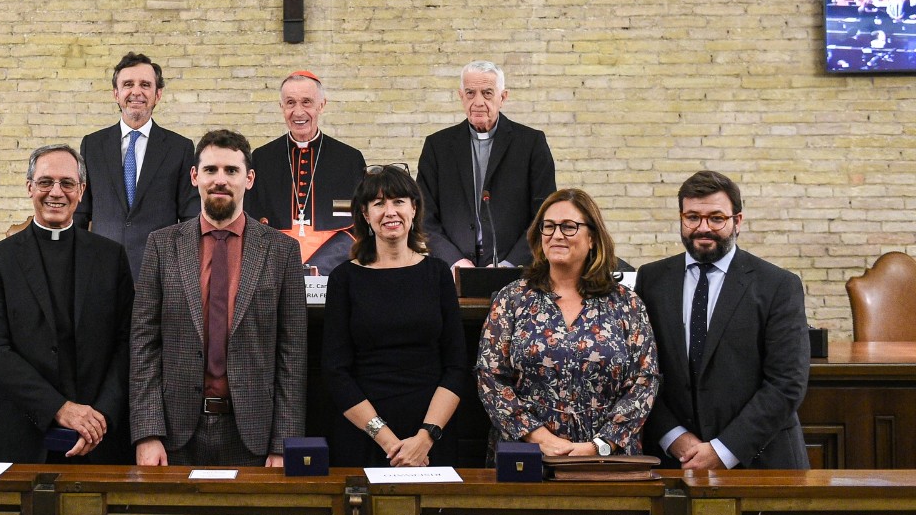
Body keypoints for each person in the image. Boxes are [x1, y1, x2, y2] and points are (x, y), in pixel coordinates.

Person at [130, 129, 307, 467]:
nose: (220, 180)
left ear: (249, 179)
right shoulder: (162, 245)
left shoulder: (282, 250)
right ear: (195, 176)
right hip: (174, 435)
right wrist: (148, 432)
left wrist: (284, 444)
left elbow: (292, 355)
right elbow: (143, 345)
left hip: (253, 435)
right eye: (210, 170)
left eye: (232, 171)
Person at [636, 171, 810, 470]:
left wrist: (724, 450)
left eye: (716, 218)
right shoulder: (651, 280)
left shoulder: (778, 285)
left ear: (737, 221)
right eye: (693, 217)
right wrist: (674, 436)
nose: (703, 228)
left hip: (761, 463)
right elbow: (640, 371)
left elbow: (787, 383)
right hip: (673, 461)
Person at [0, 144, 134, 464]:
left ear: (82, 190)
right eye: (46, 182)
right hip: (24, 434)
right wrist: (59, 408)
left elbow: (127, 342)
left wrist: (99, 419)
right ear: (29, 187)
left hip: (98, 436)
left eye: (67, 183)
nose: (56, 192)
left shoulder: (110, 256)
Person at [477, 189, 658, 462]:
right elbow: (489, 377)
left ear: (593, 238)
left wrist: (599, 445)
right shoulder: (512, 298)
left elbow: (645, 381)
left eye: (569, 227)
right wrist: (541, 439)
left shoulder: (626, 303)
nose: (557, 235)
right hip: (527, 456)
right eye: (548, 227)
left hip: (608, 460)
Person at [322, 165, 466, 467]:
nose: (390, 212)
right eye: (378, 203)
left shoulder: (439, 273)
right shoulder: (343, 279)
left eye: (399, 201)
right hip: (364, 433)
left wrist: (425, 438)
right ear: (365, 214)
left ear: (414, 209)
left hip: (431, 435)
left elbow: (456, 366)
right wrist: (389, 441)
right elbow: (336, 372)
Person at [418, 60, 556, 271]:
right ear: (461, 96)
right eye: (471, 93)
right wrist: (455, 261)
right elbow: (423, 214)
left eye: (487, 93)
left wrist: (509, 264)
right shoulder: (438, 146)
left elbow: (544, 213)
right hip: (452, 269)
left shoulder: (531, 143)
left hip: (517, 270)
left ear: (503, 97)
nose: (478, 102)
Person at [75, 52, 199, 280]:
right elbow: (80, 213)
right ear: (116, 93)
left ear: (157, 94)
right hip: (101, 271)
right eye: (128, 84)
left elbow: (190, 217)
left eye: (145, 84)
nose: (136, 92)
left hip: (160, 273)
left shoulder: (180, 148)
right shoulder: (92, 145)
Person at [247, 71, 365, 273]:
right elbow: (251, 222)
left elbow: (357, 225)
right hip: (275, 269)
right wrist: (289, 266)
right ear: (281, 107)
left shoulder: (348, 159)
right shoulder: (261, 159)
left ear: (322, 105)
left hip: (334, 269)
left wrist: (320, 265)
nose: (298, 112)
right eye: (290, 103)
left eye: (307, 102)